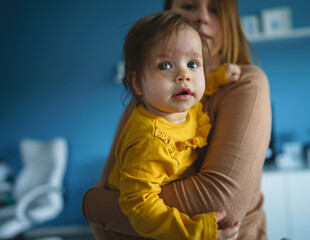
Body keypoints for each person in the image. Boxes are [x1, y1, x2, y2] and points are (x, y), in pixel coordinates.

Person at [82, 0, 272, 239]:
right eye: (189, 6)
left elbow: (224, 207)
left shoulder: (240, 83)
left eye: (214, 9)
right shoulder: (147, 115)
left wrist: (96, 206)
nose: (202, 17)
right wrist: (95, 207)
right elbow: (124, 198)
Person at [108, 11, 241, 240]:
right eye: (165, 65)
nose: (184, 75)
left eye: (192, 63)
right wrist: (199, 231)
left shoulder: (180, 106)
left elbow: (200, 88)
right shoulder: (149, 141)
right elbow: (140, 207)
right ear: (138, 83)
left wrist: (218, 77)